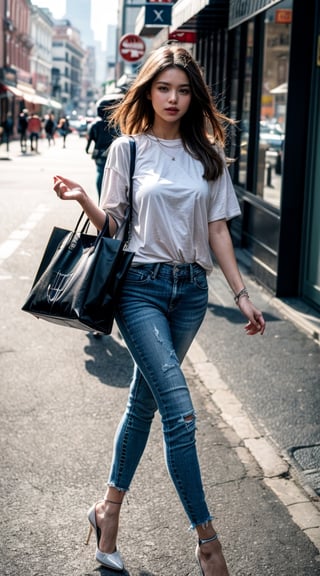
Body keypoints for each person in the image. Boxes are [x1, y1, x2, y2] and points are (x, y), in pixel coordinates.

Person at [53, 45, 265, 576]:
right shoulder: (128, 150)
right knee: (180, 413)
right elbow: (115, 227)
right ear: (148, 90)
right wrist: (84, 199)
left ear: (194, 96)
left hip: (191, 293)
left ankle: (107, 515)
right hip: (140, 290)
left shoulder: (208, 154)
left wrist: (241, 294)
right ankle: (209, 543)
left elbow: (218, 231)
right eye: (164, 87)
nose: (173, 98)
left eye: (184, 89)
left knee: (142, 404)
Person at [86, 95, 122, 199]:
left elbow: (90, 140)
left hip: (99, 154)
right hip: (114, 154)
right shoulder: (117, 125)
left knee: (100, 173)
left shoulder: (95, 125)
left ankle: (101, 198)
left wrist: (87, 149)